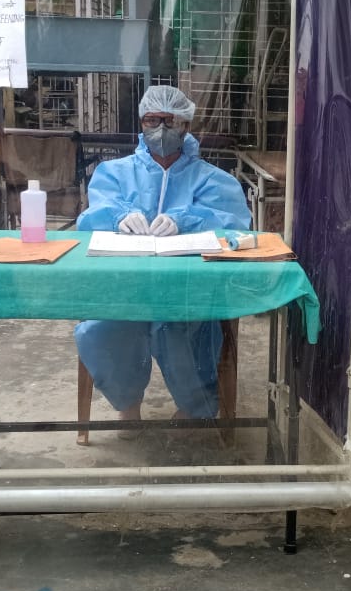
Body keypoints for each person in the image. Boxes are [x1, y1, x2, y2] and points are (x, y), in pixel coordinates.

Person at [74, 86, 251, 437]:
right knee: (105, 329)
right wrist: (118, 216)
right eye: (152, 120)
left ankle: (195, 406)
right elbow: (93, 216)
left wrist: (189, 219)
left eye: (170, 121)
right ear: (141, 122)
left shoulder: (212, 179)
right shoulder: (115, 173)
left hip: (187, 290)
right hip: (125, 289)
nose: (160, 129)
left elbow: (235, 223)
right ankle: (127, 405)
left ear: (186, 125)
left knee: (178, 330)